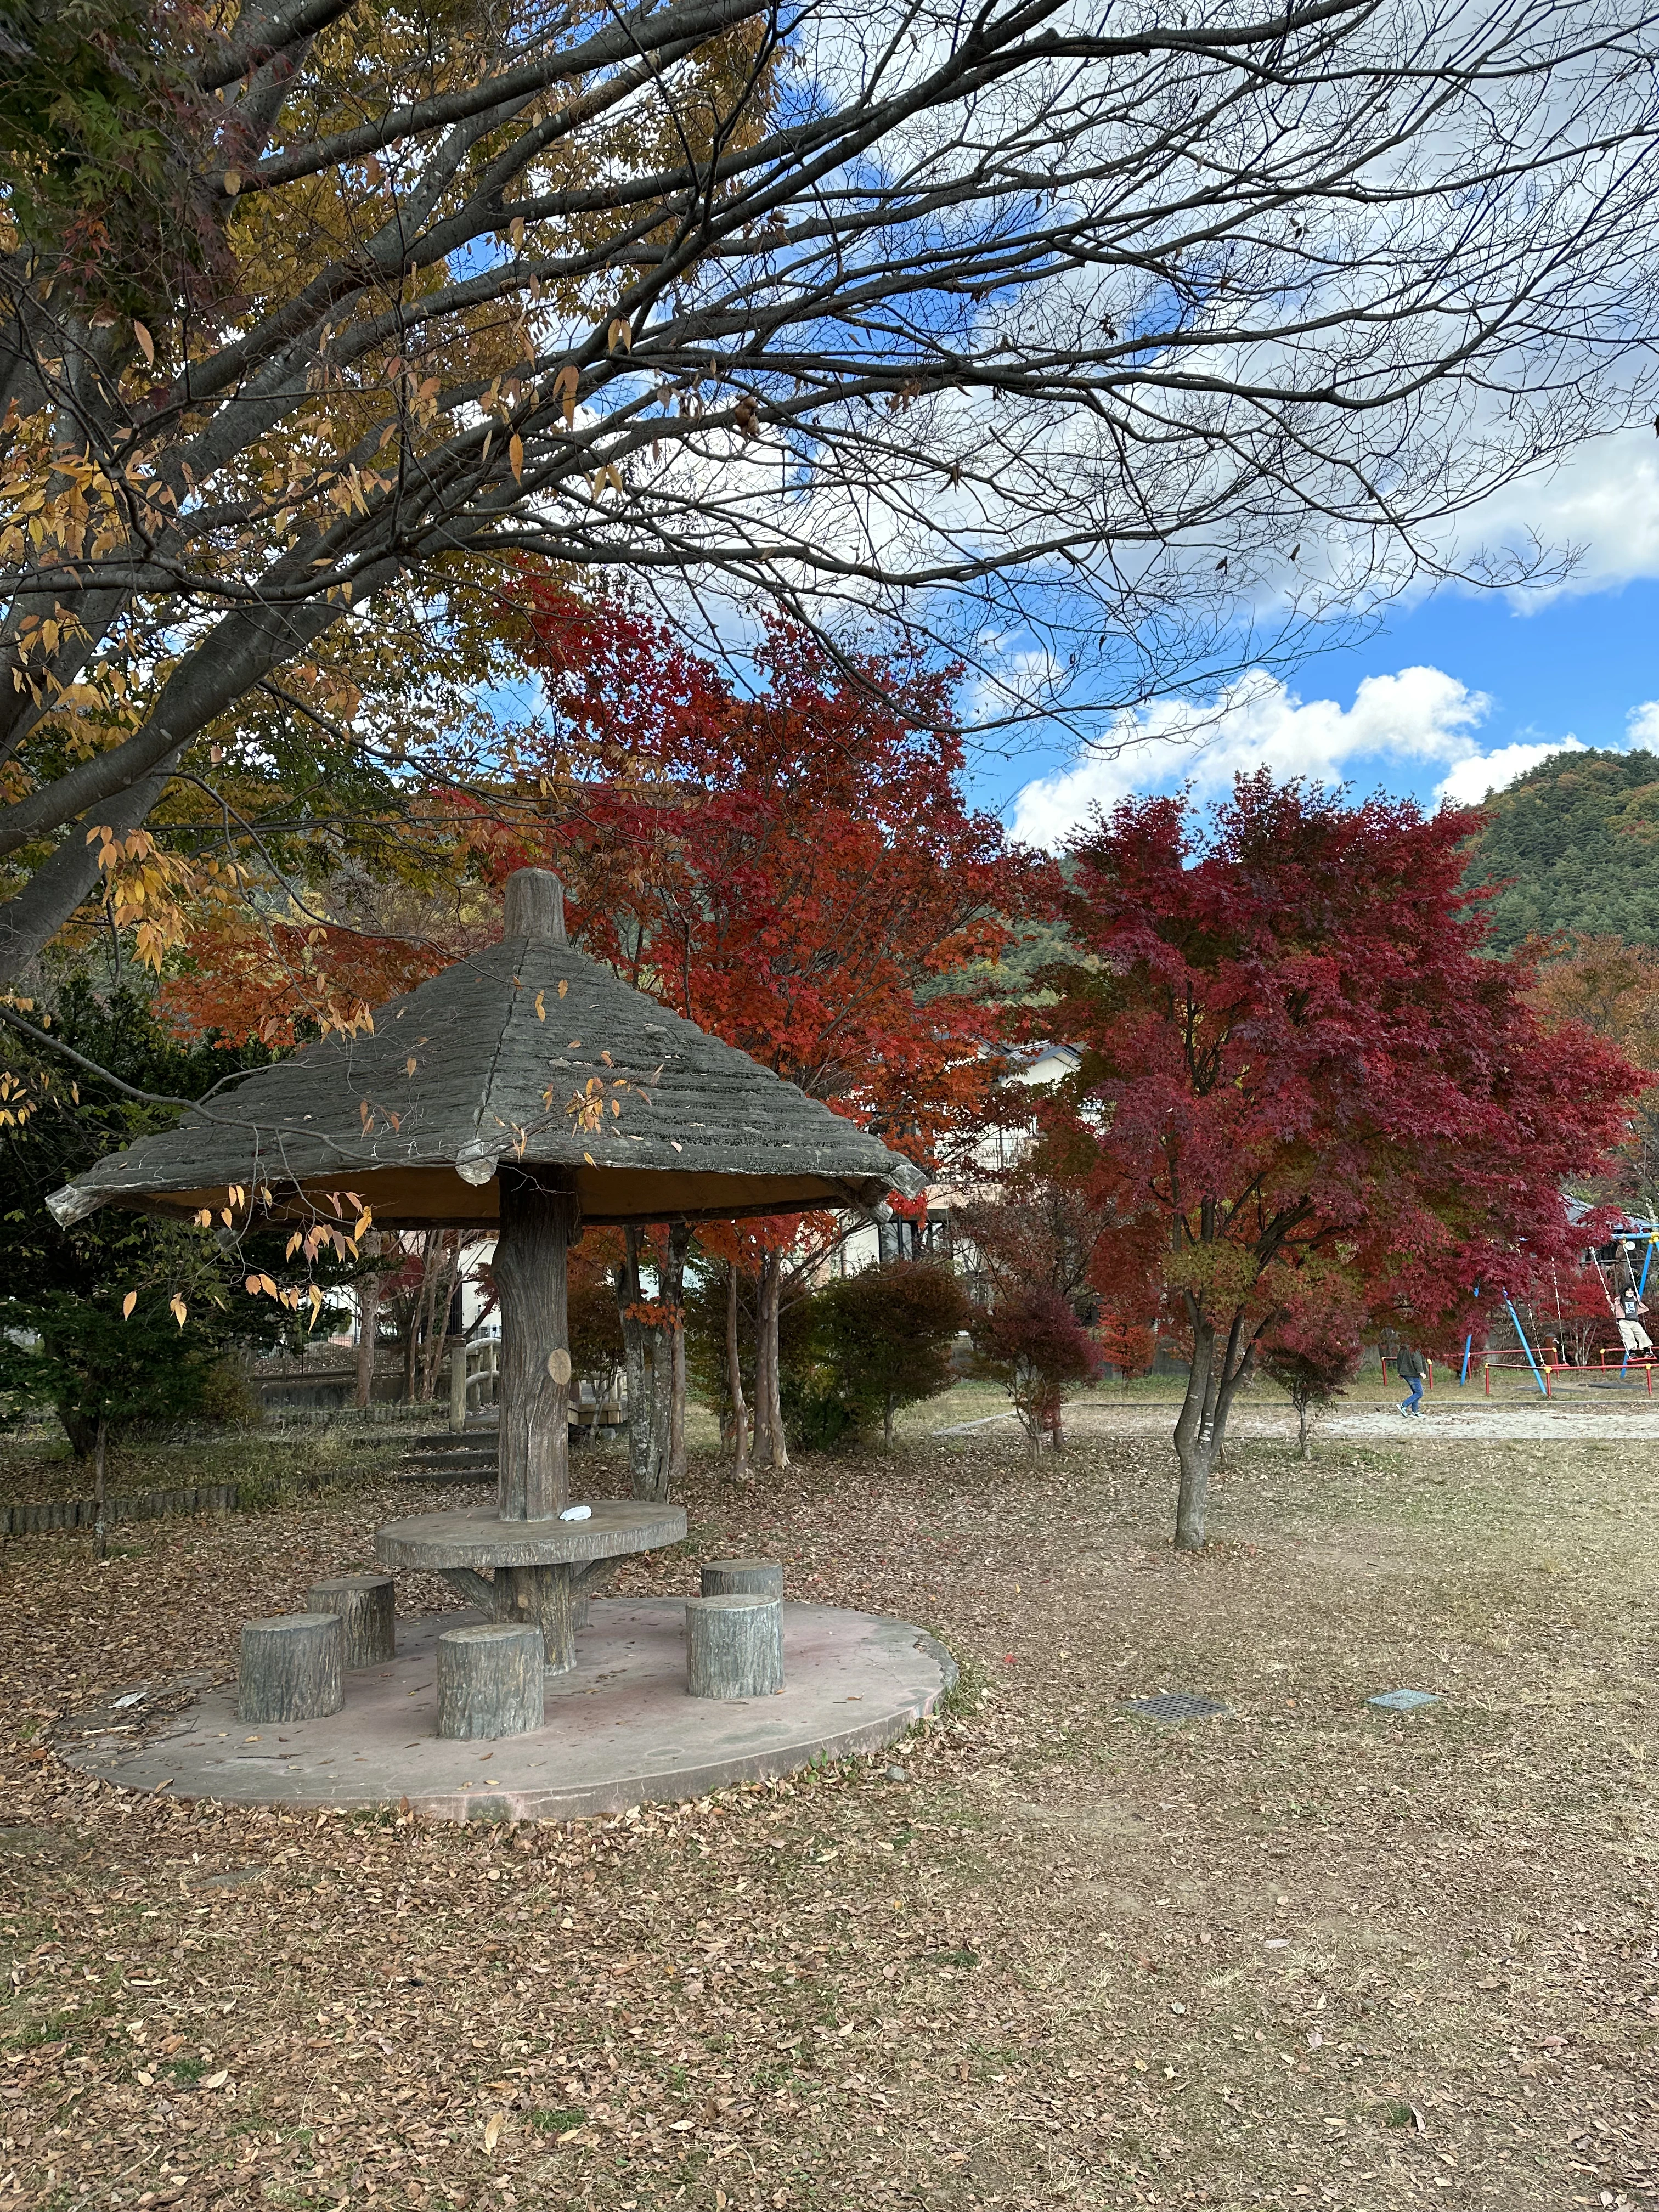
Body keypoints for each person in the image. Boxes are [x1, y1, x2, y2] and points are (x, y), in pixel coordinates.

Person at [1396, 1343, 1428, 1417]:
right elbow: (1417, 1361)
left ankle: (1415, 1411)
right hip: (1412, 1374)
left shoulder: (1403, 1348)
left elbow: (1399, 1361)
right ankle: (1403, 1406)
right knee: (1419, 1393)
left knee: (1415, 1393)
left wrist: (1400, 1372)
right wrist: (1421, 1372)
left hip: (1406, 1373)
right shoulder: (1415, 1349)